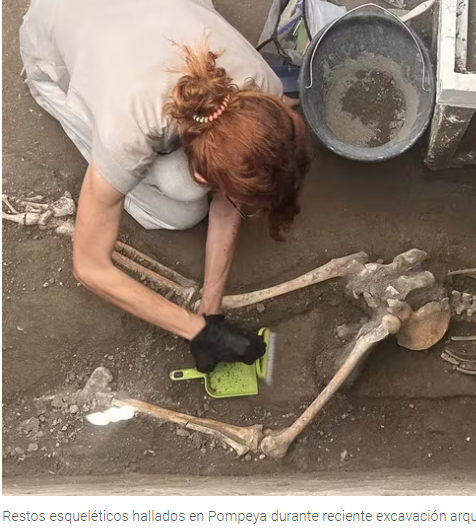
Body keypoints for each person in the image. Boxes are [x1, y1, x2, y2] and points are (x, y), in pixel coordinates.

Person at [19, 0, 311, 371]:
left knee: (190, 188)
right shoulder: (129, 125)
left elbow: (230, 197)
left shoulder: (263, 91)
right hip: (52, 34)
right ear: (205, 174)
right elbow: (89, 266)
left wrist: (212, 310)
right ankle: (95, 143)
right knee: (183, 206)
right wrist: (197, 331)